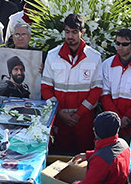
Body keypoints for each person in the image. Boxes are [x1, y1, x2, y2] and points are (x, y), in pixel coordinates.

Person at [42, 13, 103, 154]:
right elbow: (46, 88)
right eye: (67, 32)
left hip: (84, 120)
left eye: (75, 32)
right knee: (57, 158)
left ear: (82, 32)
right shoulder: (52, 55)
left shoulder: (94, 57)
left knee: (83, 160)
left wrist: (78, 114)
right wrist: (60, 113)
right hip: (59, 119)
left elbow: (96, 90)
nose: (70, 36)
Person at [72, 111, 131, 184]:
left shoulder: (101, 160)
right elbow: (110, 150)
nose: (93, 129)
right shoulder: (123, 144)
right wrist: (88, 155)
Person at [100, 28, 131, 138]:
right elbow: (104, 95)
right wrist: (116, 118)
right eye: (118, 43)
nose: (120, 47)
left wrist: (127, 118)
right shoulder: (106, 65)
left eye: (124, 44)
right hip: (111, 125)